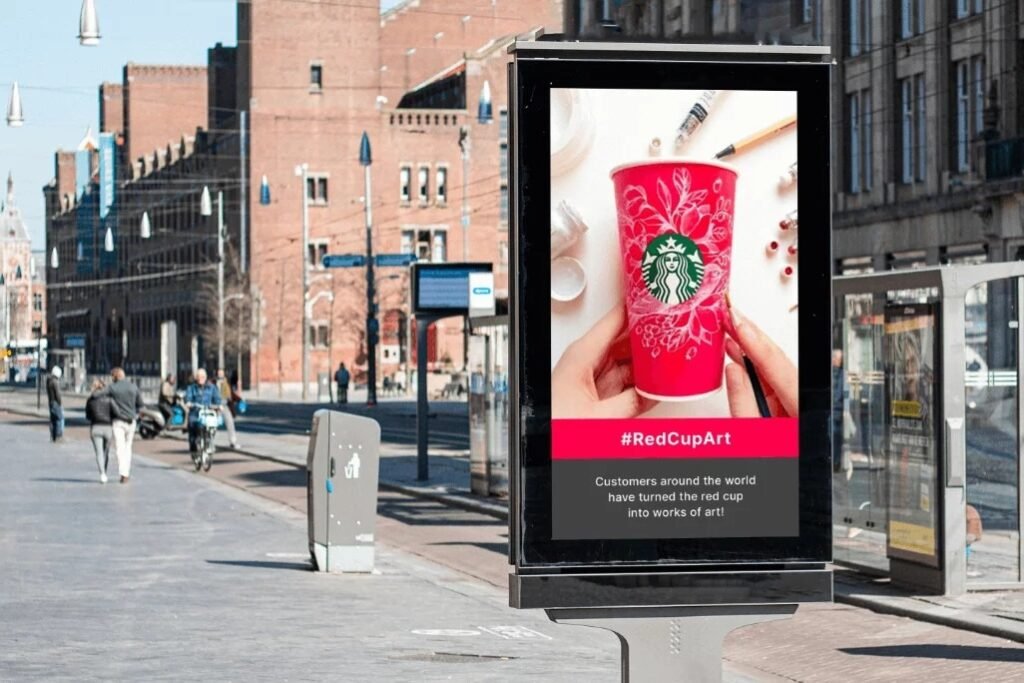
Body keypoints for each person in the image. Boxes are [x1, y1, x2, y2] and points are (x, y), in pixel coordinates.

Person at [93, 367, 144, 483]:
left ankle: (123, 473)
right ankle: (126, 472)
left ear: (115, 377)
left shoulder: (112, 388)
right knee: (128, 447)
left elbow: (97, 395)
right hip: (132, 421)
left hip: (118, 421)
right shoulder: (133, 387)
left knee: (120, 448)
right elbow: (141, 404)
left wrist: (96, 389)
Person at [184, 368, 222, 456]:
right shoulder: (192, 388)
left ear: (206, 377)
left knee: (213, 425)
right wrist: (189, 403)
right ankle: (193, 448)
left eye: (203, 376)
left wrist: (219, 405)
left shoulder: (212, 387)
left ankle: (209, 442)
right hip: (195, 412)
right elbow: (188, 397)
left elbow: (217, 398)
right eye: (199, 377)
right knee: (192, 427)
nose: (201, 378)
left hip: (207, 412)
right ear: (196, 378)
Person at [85, 379, 114, 484]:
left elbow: (87, 416)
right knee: (106, 452)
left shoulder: (90, 400)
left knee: (99, 453)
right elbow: (115, 412)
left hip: (95, 427)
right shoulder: (109, 399)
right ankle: (104, 471)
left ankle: (102, 474)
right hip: (108, 427)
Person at [215, 368, 240, 449]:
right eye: (219, 373)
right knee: (213, 425)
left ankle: (233, 442)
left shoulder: (227, 382)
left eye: (222, 373)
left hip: (225, 406)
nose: (220, 375)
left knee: (230, 423)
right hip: (216, 407)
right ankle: (210, 442)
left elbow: (231, 394)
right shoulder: (213, 382)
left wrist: (239, 399)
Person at [46, 366, 64, 442]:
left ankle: (52, 436)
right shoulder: (55, 382)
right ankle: (59, 436)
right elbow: (58, 394)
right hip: (56, 403)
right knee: (60, 418)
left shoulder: (49, 381)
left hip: (51, 402)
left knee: (53, 419)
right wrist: (60, 402)